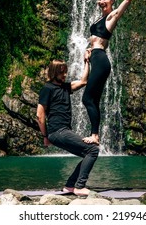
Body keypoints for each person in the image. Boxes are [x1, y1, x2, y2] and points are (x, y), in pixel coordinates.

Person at [82, 0, 146, 145]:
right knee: (92, 99)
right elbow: (96, 40)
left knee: (87, 98)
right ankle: (94, 135)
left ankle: (95, 136)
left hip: (102, 61)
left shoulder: (112, 17)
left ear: (112, 1)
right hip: (95, 59)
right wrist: (88, 51)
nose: (100, 1)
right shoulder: (97, 20)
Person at [36, 56, 99, 196]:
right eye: (61, 72)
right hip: (57, 131)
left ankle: (70, 186)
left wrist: (86, 62)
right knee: (93, 150)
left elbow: (83, 82)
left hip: (63, 131)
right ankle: (79, 186)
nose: (64, 75)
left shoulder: (65, 87)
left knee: (88, 153)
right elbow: (39, 115)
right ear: (53, 72)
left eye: (65, 71)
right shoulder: (47, 88)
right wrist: (45, 136)